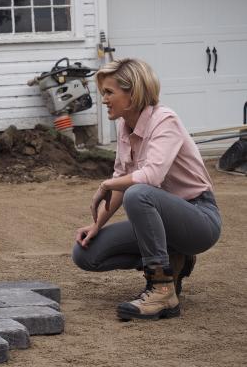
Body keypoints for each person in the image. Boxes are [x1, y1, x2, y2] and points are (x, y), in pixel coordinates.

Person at [72, 58, 221, 320]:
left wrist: (106, 184)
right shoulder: (123, 125)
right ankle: (175, 259)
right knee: (86, 254)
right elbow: (122, 175)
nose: (104, 99)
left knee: (139, 193)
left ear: (133, 92)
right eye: (103, 93)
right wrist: (96, 225)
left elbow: (150, 176)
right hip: (161, 220)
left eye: (109, 92)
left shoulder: (165, 120)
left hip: (199, 219)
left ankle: (162, 289)